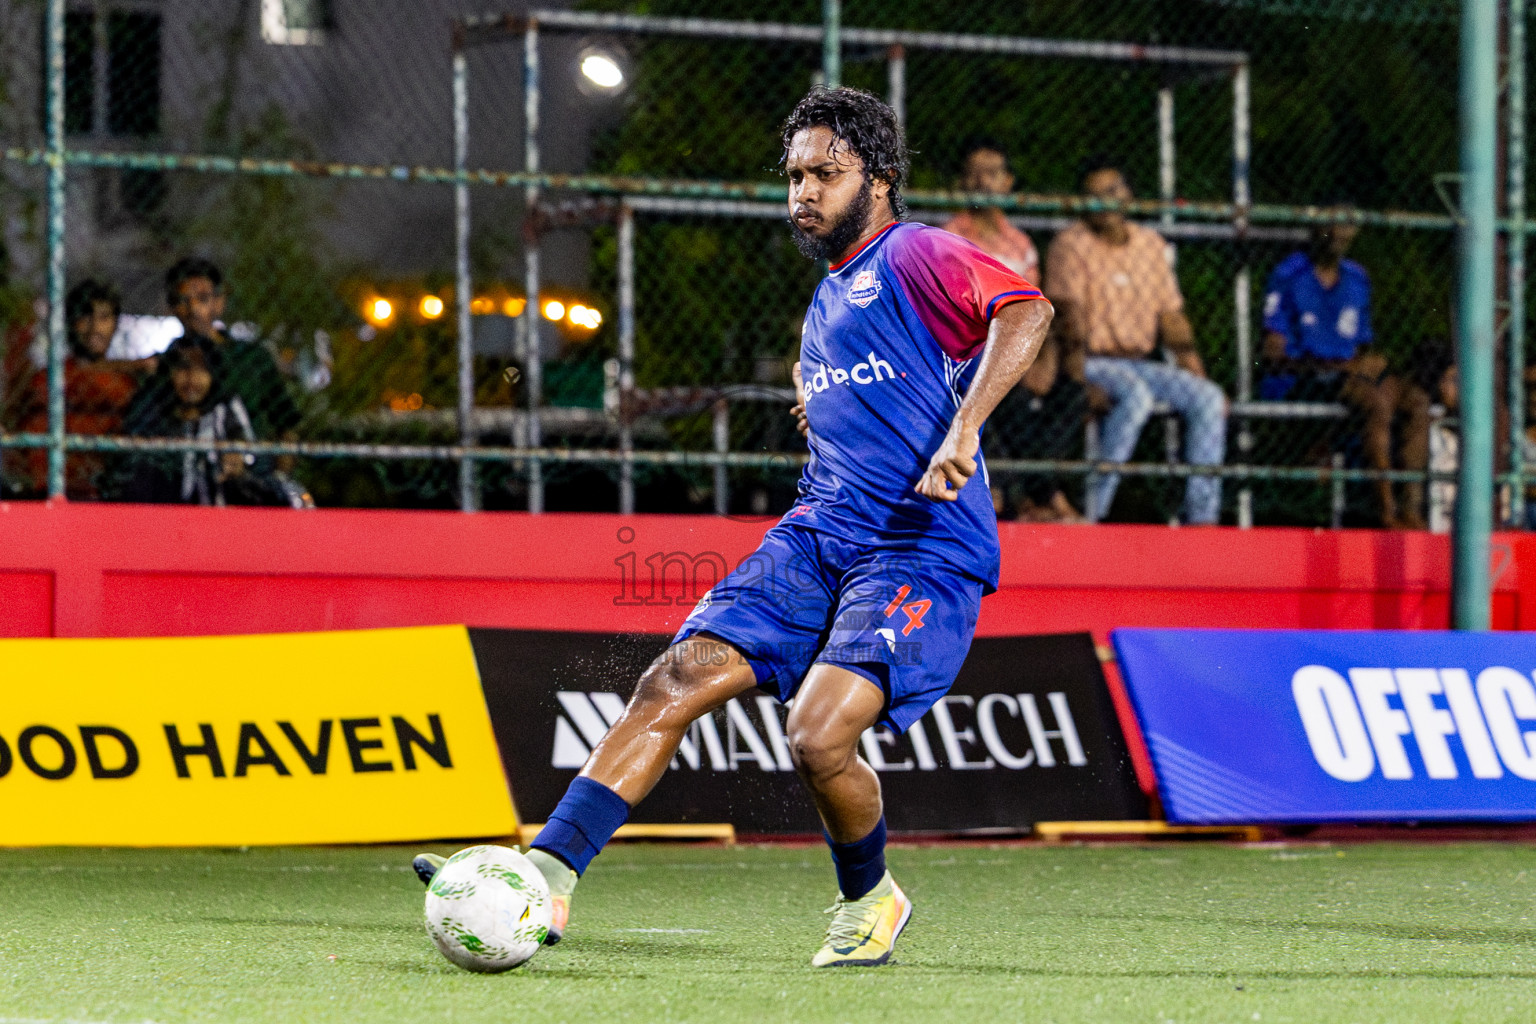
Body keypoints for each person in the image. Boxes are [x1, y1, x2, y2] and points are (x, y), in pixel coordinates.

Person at [413, 87, 1053, 967]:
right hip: (818, 536)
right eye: (794, 175)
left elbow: (1026, 311)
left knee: (818, 734)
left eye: (825, 173)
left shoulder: (915, 252)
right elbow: (865, 394)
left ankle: (870, 898)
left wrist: (965, 426)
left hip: (920, 545)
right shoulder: (827, 303)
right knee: (672, 680)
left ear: (882, 177)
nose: (803, 192)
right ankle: (546, 874)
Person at [1045, 158, 1227, 525]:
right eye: (1094, 196)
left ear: (1128, 195)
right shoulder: (1071, 244)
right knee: (1136, 396)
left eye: (1112, 192)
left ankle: (1203, 520)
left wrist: (1197, 373)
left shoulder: (1151, 244)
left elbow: (1172, 319)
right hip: (1095, 360)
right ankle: (1094, 511)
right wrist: (1079, 379)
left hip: (1142, 361)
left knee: (1207, 399)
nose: (1105, 202)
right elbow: (1071, 322)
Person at [942, 139, 1085, 522]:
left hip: (1019, 348)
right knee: (1011, 395)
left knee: (1073, 393)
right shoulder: (949, 237)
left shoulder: (1020, 244)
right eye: (973, 173)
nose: (981, 182)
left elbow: (1038, 310)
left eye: (991, 173)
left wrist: (1043, 360)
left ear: (1007, 183)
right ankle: (1031, 496)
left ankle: (1039, 493)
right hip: (974, 351)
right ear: (962, 183)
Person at [1260, 209, 1430, 529]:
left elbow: (1361, 344)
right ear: (1315, 224)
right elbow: (1271, 353)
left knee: (1416, 401)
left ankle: (1412, 509)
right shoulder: (1290, 273)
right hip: (1304, 378)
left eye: (1348, 223)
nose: (1340, 231)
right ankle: (1386, 511)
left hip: (1352, 378)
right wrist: (1340, 365)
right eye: (1332, 221)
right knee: (1375, 401)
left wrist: (1370, 363)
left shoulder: (1356, 277)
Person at [114, 335, 305, 507]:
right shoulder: (158, 412)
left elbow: (243, 443)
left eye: (201, 370)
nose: (191, 379)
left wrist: (237, 460)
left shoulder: (225, 409)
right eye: (182, 368)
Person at [17, 279, 143, 499]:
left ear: (115, 323)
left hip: (107, 492)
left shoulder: (127, 384)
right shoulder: (48, 378)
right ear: (71, 322)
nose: (95, 328)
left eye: (104, 318)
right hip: (46, 490)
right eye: (86, 317)